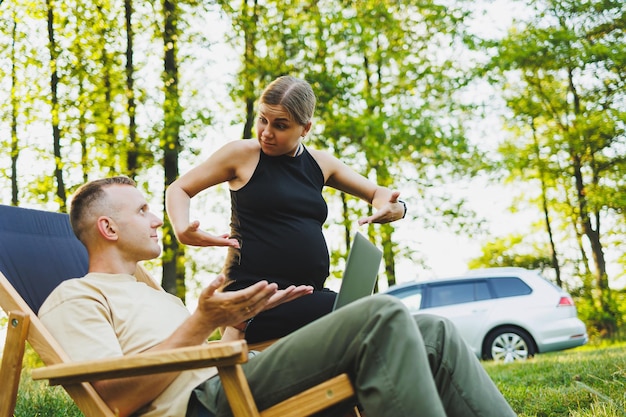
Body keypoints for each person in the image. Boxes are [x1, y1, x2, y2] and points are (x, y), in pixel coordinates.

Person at [38, 176, 517, 417]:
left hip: (235, 380)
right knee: (380, 316)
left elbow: (201, 357)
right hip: (204, 407)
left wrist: (240, 321)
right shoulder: (75, 296)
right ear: (108, 227)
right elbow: (112, 401)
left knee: (432, 329)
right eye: (144, 209)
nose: (157, 218)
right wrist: (200, 322)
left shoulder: (154, 293)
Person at [166, 75, 407, 343]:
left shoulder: (320, 163)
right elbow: (179, 189)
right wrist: (182, 228)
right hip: (254, 300)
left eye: (280, 125)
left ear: (305, 128)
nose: (266, 132)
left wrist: (396, 208)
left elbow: (378, 194)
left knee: (376, 313)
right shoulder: (242, 155)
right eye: (262, 120)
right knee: (367, 313)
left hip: (306, 295)